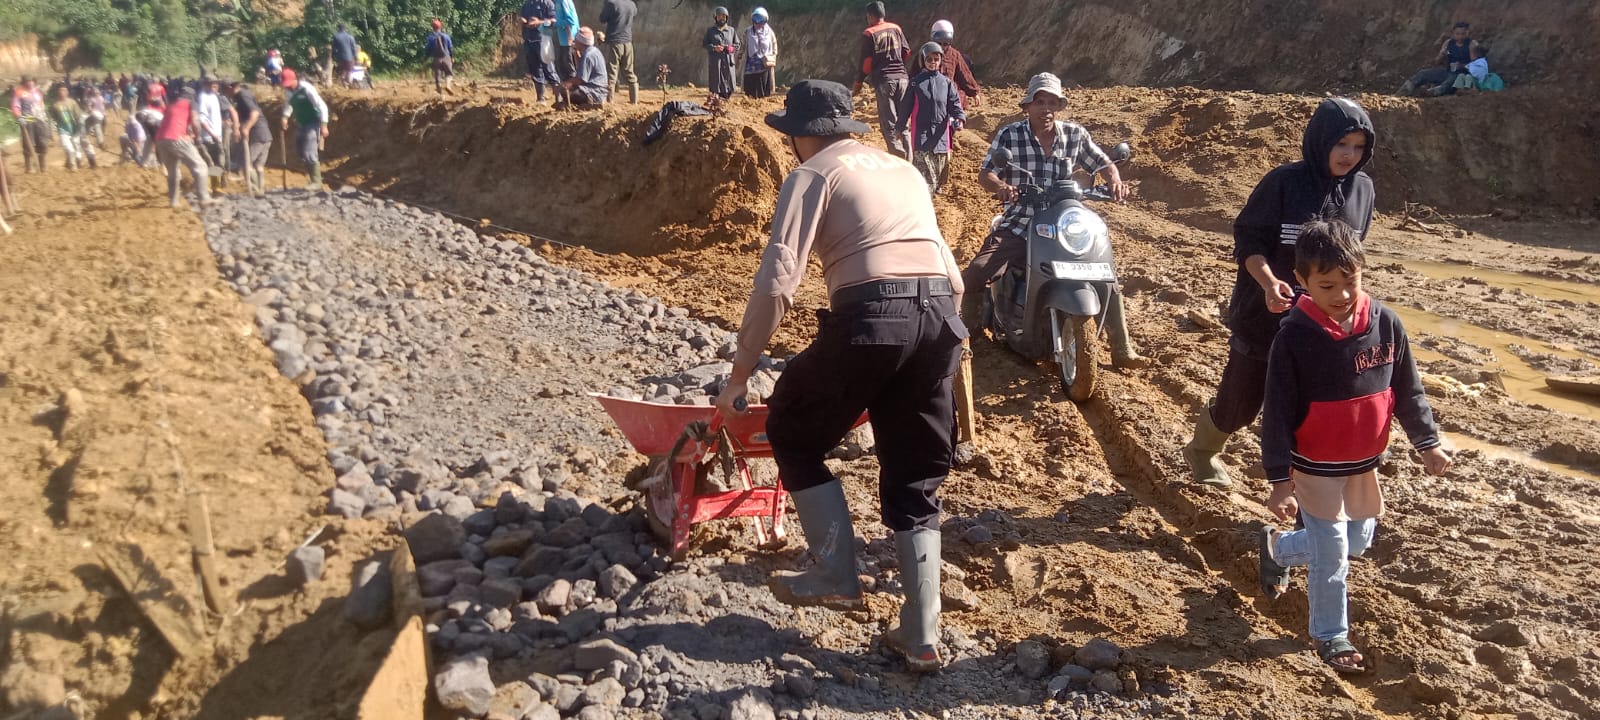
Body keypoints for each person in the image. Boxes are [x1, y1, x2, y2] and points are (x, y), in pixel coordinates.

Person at [712, 79, 966, 674]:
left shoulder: (811, 174)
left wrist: (739, 376)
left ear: (801, 135)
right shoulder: (905, 171)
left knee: (794, 430)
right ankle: (922, 634)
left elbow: (778, 280)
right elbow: (951, 277)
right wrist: (945, 350)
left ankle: (834, 571)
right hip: (940, 320)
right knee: (914, 476)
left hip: (875, 315)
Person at [1258, 219, 1451, 674]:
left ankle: (1279, 550)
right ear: (1301, 281)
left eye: (1350, 282)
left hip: (1364, 463)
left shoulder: (1386, 323)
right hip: (1314, 467)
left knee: (1358, 540)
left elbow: (1408, 390)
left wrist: (1428, 443)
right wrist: (1280, 480)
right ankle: (1330, 635)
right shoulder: (1294, 339)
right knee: (1333, 554)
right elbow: (1278, 414)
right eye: (1326, 285)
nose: (1342, 295)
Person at [1182, 97, 1377, 487]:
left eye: (1358, 147)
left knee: (1310, 406)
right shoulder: (1284, 183)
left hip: (1322, 324)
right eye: (1341, 145)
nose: (1349, 156)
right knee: (1240, 405)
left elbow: (1353, 258)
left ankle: (1305, 480)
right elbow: (1249, 243)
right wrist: (1270, 284)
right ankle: (1202, 450)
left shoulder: (1363, 190)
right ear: (1321, 141)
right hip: (1265, 316)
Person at [963, 73, 1145, 367]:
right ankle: (970, 337)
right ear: (1027, 106)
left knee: (1104, 273)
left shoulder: (1075, 135)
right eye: (1039, 101)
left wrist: (1114, 181)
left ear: (1059, 106)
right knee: (977, 271)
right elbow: (986, 173)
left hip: (1062, 224)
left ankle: (1122, 348)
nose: (1045, 108)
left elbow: (1104, 163)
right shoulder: (1010, 135)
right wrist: (1002, 188)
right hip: (1021, 221)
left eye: (1051, 102)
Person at [894, 42, 964, 194]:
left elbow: (954, 104)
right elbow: (905, 108)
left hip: (941, 135)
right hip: (922, 134)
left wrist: (959, 118)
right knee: (925, 176)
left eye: (936, 59)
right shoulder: (915, 83)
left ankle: (930, 193)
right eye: (929, 59)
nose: (933, 62)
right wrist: (899, 127)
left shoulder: (947, 83)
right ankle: (925, 201)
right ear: (923, 61)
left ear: (940, 60)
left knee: (938, 172)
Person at [853, 2, 911, 158]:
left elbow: (866, 63)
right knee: (904, 122)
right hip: (903, 79)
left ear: (871, 16)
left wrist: (858, 83)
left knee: (889, 123)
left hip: (885, 80)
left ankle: (898, 155)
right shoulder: (896, 28)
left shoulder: (869, 33)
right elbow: (906, 52)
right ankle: (910, 158)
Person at [155, 88, 213, 208]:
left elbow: (172, 122)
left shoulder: (172, 105)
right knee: (200, 166)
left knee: (173, 171)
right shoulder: (191, 103)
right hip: (176, 137)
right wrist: (197, 137)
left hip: (160, 139)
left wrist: (188, 133)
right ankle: (204, 198)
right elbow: (195, 121)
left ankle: (174, 201)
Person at [278, 68, 330, 190]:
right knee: (301, 150)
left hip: (313, 122)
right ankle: (312, 178)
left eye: (289, 83)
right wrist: (285, 117)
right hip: (301, 123)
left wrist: (324, 124)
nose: (288, 86)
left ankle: (317, 182)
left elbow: (321, 105)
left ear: (295, 79)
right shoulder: (288, 91)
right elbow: (289, 104)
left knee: (309, 150)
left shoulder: (306, 88)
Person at [1398, 21, 1479, 96]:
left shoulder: (1471, 45)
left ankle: (1433, 92)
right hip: (1447, 71)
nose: (1460, 37)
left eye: (1463, 34)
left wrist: (1462, 66)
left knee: (1451, 81)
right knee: (1423, 73)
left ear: (1467, 34)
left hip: (1461, 76)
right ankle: (1405, 90)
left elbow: (1476, 65)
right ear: (1453, 34)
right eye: (1458, 34)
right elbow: (1437, 62)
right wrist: (1441, 55)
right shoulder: (1448, 43)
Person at [229, 81, 272, 196]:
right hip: (265, 134)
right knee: (258, 165)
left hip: (258, 134)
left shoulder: (242, 96)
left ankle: (255, 189)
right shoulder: (243, 95)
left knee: (246, 163)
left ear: (230, 88)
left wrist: (246, 128)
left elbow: (255, 113)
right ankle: (260, 190)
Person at [520, 0, 562, 102]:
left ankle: (559, 98)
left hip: (543, 40)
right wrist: (522, 21)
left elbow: (554, 22)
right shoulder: (527, 4)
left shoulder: (547, 3)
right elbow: (523, 19)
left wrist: (539, 23)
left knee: (549, 69)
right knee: (535, 70)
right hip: (529, 41)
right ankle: (540, 98)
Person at [557, 27, 610, 109]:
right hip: (598, 90)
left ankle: (591, 104)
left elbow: (580, 79)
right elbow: (581, 70)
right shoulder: (594, 51)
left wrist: (565, 84)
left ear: (581, 42)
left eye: (576, 40)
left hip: (594, 91)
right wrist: (576, 54)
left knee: (566, 90)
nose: (575, 42)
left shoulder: (588, 56)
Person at [600, 0, 640, 104]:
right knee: (629, 72)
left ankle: (610, 103)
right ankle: (634, 102)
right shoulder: (631, 4)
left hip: (614, 42)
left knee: (611, 74)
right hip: (628, 42)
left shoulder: (611, 4)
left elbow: (602, 18)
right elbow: (633, 14)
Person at [11, 77, 50, 173]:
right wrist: (19, 116)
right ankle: (29, 167)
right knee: (28, 143)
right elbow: (15, 106)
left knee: (42, 141)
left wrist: (44, 117)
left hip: (39, 118)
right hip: (27, 118)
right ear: (24, 83)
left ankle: (42, 165)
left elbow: (42, 105)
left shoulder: (37, 92)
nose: (30, 83)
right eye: (28, 81)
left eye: (32, 81)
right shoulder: (19, 92)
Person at [48, 84, 93, 170]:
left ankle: (86, 162)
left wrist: (80, 128)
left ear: (67, 92)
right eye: (60, 90)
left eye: (64, 90)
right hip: (63, 130)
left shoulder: (72, 102)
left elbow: (78, 115)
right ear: (58, 92)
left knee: (78, 147)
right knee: (68, 147)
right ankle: (73, 166)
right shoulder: (55, 105)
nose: (62, 92)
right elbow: (53, 118)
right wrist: (52, 132)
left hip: (74, 128)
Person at [196, 77, 226, 190]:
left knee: (220, 161)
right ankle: (215, 187)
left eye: (216, 85)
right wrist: (212, 134)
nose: (216, 87)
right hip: (210, 136)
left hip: (217, 134)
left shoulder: (214, 96)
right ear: (206, 85)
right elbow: (202, 120)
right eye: (213, 85)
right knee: (214, 162)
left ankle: (218, 184)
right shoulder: (203, 97)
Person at [703, 7, 739, 100]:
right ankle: (717, 99)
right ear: (715, 17)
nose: (721, 18)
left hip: (728, 61)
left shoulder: (731, 30)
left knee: (729, 82)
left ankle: (727, 97)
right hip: (716, 61)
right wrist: (715, 48)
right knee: (716, 82)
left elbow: (737, 45)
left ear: (726, 17)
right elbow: (705, 44)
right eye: (719, 16)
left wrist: (729, 48)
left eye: (723, 16)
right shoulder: (710, 31)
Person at [742, 7, 778, 99]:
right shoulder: (748, 31)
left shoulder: (769, 32)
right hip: (750, 66)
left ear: (766, 20)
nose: (758, 23)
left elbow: (774, 46)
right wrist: (738, 57)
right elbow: (742, 45)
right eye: (755, 19)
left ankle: (761, 105)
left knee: (763, 90)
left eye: (761, 20)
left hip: (764, 65)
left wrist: (772, 56)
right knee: (749, 92)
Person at [425, 19, 456, 95]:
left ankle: (440, 93)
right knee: (448, 74)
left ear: (433, 28)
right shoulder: (446, 36)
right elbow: (450, 48)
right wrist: (452, 57)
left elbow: (428, 49)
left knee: (437, 76)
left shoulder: (430, 37)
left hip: (437, 59)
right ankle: (448, 86)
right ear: (440, 27)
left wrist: (426, 58)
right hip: (446, 57)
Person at [554, 0, 580, 80]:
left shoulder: (563, 1)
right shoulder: (557, 2)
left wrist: (554, 23)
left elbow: (571, 20)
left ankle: (575, 90)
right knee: (564, 68)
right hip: (564, 40)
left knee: (570, 70)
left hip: (568, 41)